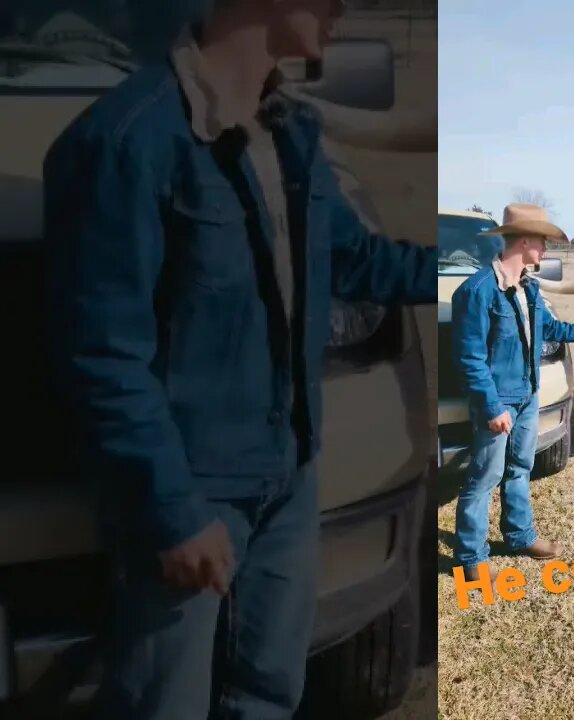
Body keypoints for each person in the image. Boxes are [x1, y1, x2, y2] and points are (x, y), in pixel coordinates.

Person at [42, 1, 436, 717]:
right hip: (195, 490)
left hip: (289, 470)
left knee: (266, 695)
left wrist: (474, 273)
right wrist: (171, 512)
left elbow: (355, 260)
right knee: (166, 705)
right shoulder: (127, 140)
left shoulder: (291, 133)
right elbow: (104, 353)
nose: (342, 8)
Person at [450, 203, 574, 582]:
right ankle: (470, 558)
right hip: (500, 402)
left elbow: (550, 330)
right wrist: (491, 406)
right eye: (543, 242)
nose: (546, 251)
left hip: (528, 395)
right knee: (485, 477)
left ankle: (520, 536)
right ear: (523, 240)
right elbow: (470, 358)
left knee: (520, 467)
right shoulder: (476, 292)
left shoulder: (529, 288)